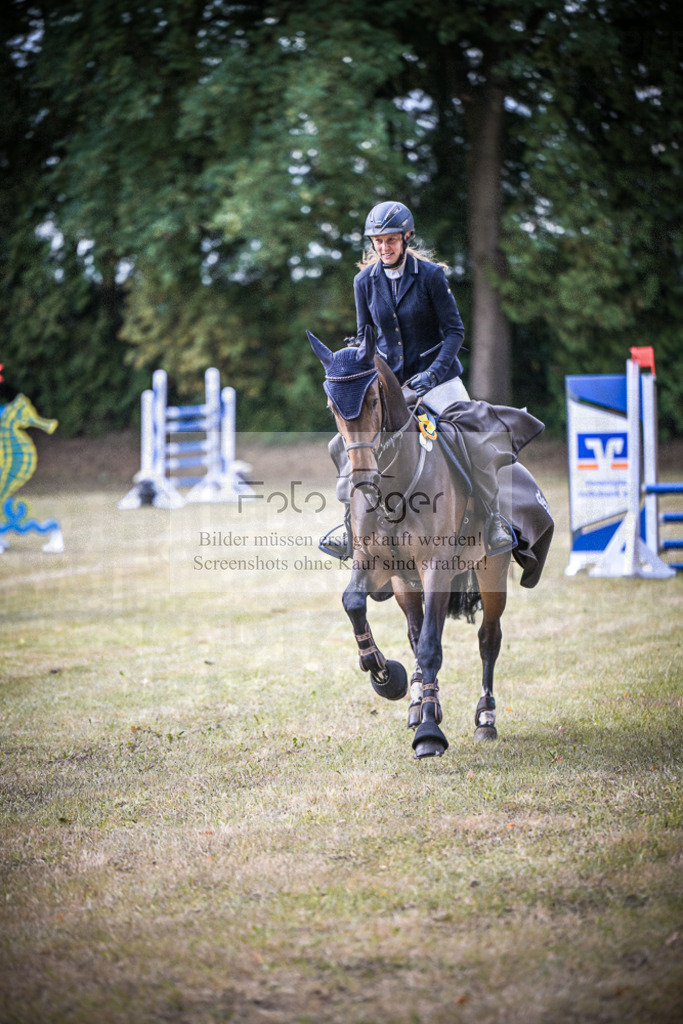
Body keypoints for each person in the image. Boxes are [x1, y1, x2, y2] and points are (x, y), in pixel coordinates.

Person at [320, 200, 515, 560]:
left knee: (472, 438)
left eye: (390, 240)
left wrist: (434, 373)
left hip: (437, 379)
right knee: (343, 443)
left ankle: (493, 519)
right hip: (390, 385)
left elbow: (455, 331)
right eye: (377, 241)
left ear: (407, 237)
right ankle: (349, 526)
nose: (383, 247)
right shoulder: (363, 281)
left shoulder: (430, 277)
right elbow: (365, 336)